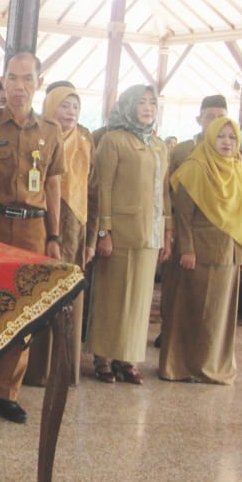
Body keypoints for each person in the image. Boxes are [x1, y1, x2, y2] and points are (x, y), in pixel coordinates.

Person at [0, 53, 65, 422]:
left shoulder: (50, 131)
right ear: (3, 81)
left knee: (23, 312)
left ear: (38, 82)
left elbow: (53, 185)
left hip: (33, 230)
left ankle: (6, 392)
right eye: (13, 79)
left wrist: (54, 234)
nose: (19, 87)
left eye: (27, 79)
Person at [88, 85, 171, 385]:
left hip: (148, 235)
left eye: (152, 102)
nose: (148, 107)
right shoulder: (113, 141)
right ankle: (103, 357)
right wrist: (103, 231)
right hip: (120, 234)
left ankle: (127, 357)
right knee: (113, 297)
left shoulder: (159, 146)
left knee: (138, 301)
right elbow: (103, 188)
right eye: (141, 102)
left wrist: (167, 232)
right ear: (127, 105)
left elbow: (164, 193)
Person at [159, 117, 242, 384]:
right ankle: (181, 367)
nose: (226, 142)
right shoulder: (194, 168)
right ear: (210, 137)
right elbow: (183, 216)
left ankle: (213, 367)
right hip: (197, 251)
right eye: (221, 137)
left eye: (232, 138)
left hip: (229, 251)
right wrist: (186, 249)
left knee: (219, 315)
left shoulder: (239, 171)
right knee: (191, 311)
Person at [25, 81, 94, 388]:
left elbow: (91, 190)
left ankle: (63, 368)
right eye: (65, 105)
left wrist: (91, 237)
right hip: (45, 220)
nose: (71, 112)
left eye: (76, 107)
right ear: (51, 105)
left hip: (76, 224)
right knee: (42, 292)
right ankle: (36, 368)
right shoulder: (40, 133)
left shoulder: (84, 140)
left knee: (69, 294)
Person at [169, 95, 228, 175]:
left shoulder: (231, 154)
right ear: (199, 120)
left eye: (221, 118)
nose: (216, 122)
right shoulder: (182, 151)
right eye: (210, 117)